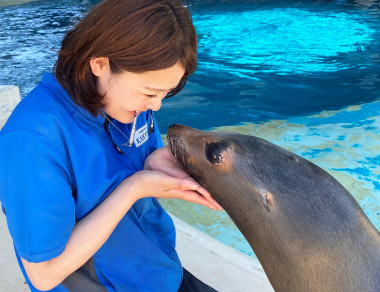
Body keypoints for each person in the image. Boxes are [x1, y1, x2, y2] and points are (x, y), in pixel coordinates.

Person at [0, 0, 222, 291]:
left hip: (159, 270)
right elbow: (43, 274)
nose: (155, 105)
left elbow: (132, 158)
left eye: (165, 93)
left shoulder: (123, 101)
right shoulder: (33, 140)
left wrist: (153, 162)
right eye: (149, 92)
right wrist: (134, 188)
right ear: (100, 64)